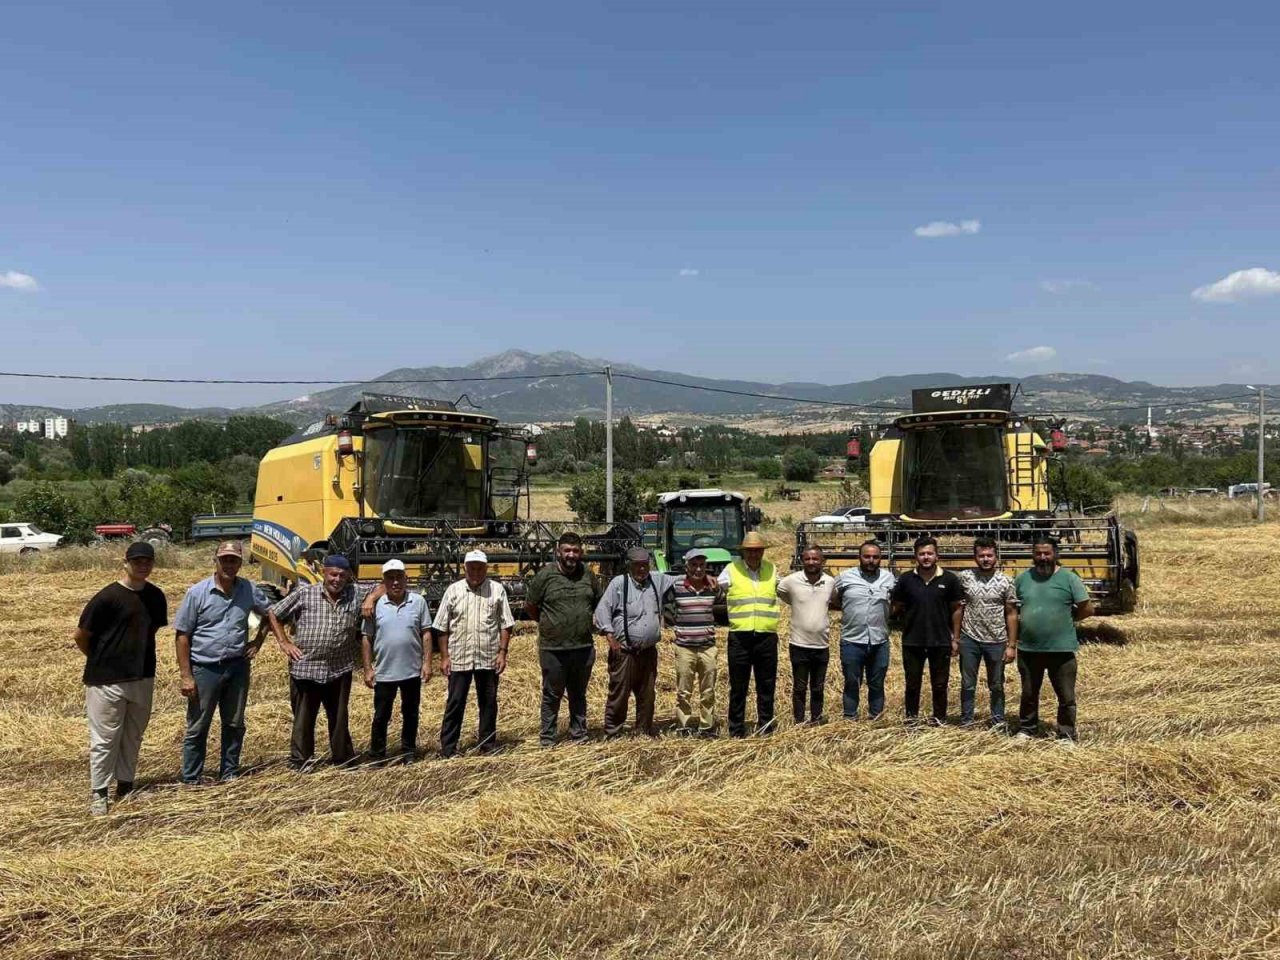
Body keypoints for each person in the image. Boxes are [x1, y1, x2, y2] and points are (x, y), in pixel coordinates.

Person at [75, 541, 168, 816]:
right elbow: (81, 636)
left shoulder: (156, 596)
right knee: (105, 739)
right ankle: (99, 792)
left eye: (147, 561)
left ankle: (126, 786)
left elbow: (149, 632)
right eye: (137, 561)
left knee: (133, 735)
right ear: (125, 563)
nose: (142, 566)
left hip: (142, 676)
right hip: (106, 680)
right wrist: (101, 659)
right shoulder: (107, 597)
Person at [173, 541, 270, 784]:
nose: (229, 564)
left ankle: (229, 772)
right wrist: (186, 675)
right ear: (215, 562)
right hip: (205, 668)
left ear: (240, 563)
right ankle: (192, 778)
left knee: (234, 723)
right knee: (198, 725)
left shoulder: (249, 589)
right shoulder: (197, 593)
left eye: (234, 560)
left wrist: (258, 641)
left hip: (237, 666)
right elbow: (182, 636)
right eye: (224, 560)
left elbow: (270, 614)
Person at [267, 555, 373, 770]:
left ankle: (343, 759)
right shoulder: (305, 593)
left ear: (348, 576)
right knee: (304, 720)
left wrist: (371, 599)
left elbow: (381, 586)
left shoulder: (354, 593)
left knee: (339, 717)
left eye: (342, 575)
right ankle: (301, 761)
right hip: (306, 667)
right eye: (333, 574)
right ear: (324, 572)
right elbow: (274, 613)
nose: (337, 579)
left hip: (339, 668)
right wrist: (284, 642)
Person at [433, 550, 515, 757]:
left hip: (488, 657)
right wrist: (444, 656)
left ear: (486, 569)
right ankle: (449, 748)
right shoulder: (453, 591)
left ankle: (487, 744)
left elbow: (506, 624)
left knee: (488, 702)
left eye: (480, 568)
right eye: (472, 568)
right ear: (465, 568)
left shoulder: (497, 590)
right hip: (459, 657)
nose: (476, 572)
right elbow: (441, 626)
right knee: (455, 702)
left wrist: (502, 653)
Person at [526, 532, 602, 747]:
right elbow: (530, 606)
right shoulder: (545, 575)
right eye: (567, 550)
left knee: (579, 694)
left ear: (581, 552)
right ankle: (548, 738)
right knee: (552, 694)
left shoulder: (588, 574)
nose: (571, 555)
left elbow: (598, 601)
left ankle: (579, 734)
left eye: (575, 551)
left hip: (583, 647)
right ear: (558, 551)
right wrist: (549, 623)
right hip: (553, 649)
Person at [1015, 537, 1093, 743]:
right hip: (1029, 649)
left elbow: (1087, 608)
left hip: (1061, 649)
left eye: (1047, 553)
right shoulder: (1022, 579)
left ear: (1055, 554)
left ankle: (1066, 734)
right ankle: (1027, 729)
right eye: (1038, 553)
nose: (1043, 557)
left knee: (1066, 696)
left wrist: (1068, 620)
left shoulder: (1069, 579)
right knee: (1029, 693)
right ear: (1033, 555)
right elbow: (1012, 609)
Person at [594, 547, 677, 737]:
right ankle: (613, 733)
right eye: (638, 565)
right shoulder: (619, 583)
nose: (642, 569)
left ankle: (643, 732)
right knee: (619, 694)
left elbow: (679, 578)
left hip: (648, 652)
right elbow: (602, 611)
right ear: (629, 566)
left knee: (647, 695)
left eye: (645, 565)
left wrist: (706, 577)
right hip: (625, 652)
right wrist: (610, 637)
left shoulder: (656, 580)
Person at [360, 559, 432, 762]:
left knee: (410, 713)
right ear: (384, 581)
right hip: (384, 671)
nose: (395, 582)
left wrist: (427, 663)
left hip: (411, 670)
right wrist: (367, 668)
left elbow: (426, 633)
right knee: (381, 715)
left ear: (406, 579)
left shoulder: (418, 602)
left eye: (399, 577)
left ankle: (408, 751)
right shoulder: (375, 606)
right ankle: (377, 754)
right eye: (390, 578)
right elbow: (366, 638)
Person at [890, 536, 963, 725]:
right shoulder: (906, 579)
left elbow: (956, 609)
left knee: (940, 684)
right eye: (921, 554)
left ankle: (939, 719)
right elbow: (897, 606)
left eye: (930, 553)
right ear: (915, 556)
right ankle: (911, 719)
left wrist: (955, 638)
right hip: (912, 640)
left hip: (940, 640)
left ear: (937, 556)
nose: (926, 557)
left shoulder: (950, 579)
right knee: (912, 684)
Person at [718, 531, 780, 737]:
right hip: (740, 636)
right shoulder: (730, 570)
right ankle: (736, 729)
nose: (753, 554)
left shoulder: (772, 569)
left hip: (766, 636)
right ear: (743, 552)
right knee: (738, 686)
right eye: (750, 551)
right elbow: (714, 588)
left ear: (762, 551)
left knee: (766, 685)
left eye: (757, 550)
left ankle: (766, 727)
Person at [955, 537, 1019, 728]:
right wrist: (956, 637)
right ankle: (966, 721)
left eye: (989, 555)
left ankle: (998, 721)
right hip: (969, 638)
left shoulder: (1006, 581)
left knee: (996, 684)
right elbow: (957, 608)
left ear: (996, 557)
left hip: (997, 639)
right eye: (981, 555)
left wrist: (1011, 645)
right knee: (968, 683)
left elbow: (1011, 613)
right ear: (974, 557)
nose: (985, 559)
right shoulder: (964, 578)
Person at [831, 540, 896, 719]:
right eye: (867, 556)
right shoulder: (845, 577)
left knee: (877, 683)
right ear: (859, 557)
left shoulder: (889, 578)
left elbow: (896, 603)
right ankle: (850, 719)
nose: (871, 560)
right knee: (852, 682)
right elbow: (832, 598)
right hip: (852, 640)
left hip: (879, 640)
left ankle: (876, 718)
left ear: (881, 558)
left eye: (875, 557)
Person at [777, 545, 835, 724]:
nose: (811, 562)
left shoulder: (830, 582)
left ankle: (816, 719)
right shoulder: (791, 581)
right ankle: (799, 720)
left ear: (822, 561)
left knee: (818, 687)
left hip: (822, 645)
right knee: (799, 687)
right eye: (807, 559)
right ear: (802, 561)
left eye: (815, 559)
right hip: (799, 644)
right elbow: (781, 592)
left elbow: (833, 599)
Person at [670, 549, 721, 737]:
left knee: (708, 690)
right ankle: (683, 725)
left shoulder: (713, 587)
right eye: (694, 565)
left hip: (707, 647)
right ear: (687, 567)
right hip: (684, 647)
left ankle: (706, 727)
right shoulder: (676, 586)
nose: (698, 569)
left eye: (701, 565)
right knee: (684, 691)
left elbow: (726, 599)